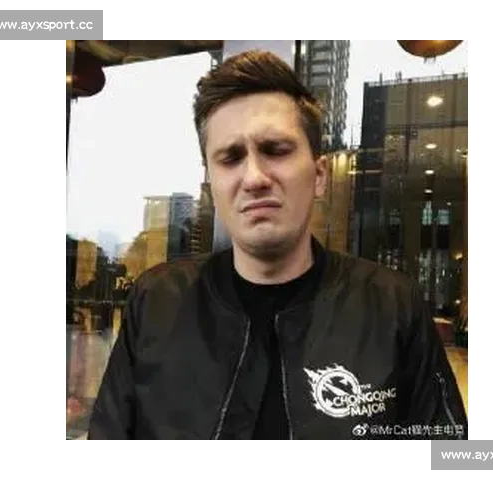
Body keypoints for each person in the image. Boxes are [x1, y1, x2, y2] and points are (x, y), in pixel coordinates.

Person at [88, 50, 469, 440]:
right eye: (230, 158)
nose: (254, 177)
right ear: (212, 185)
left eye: (275, 150)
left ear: (319, 175)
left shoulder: (392, 307)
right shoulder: (156, 302)